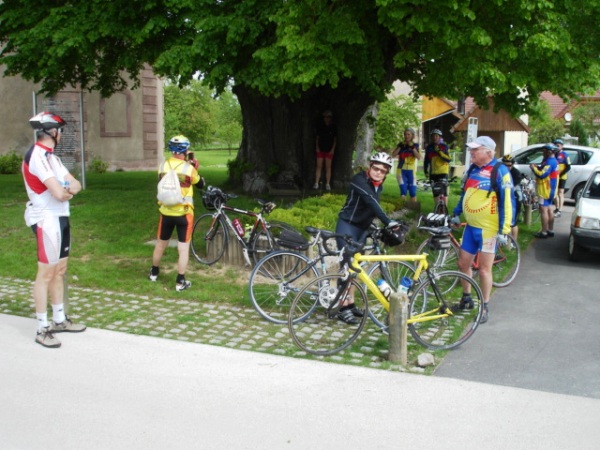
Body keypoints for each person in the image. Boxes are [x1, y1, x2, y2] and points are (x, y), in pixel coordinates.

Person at [22, 112, 85, 348]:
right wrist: (65, 189)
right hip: (45, 219)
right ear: (52, 132)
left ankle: (59, 320)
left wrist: (66, 188)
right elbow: (59, 192)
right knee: (45, 273)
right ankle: (42, 328)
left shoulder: (53, 159)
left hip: (60, 217)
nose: (61, 134)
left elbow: (74, 184)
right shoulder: (37, 155)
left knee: (60, 269)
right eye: (60, 130)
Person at [451, 136, 513, 324]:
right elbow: (465, 194)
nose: (471, 153)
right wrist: (456, 212)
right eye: (471, 150)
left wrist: (504, 229)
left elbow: (508, 202)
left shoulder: (499, 171)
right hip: (470, 228)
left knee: (485, 269)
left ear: (488, 151)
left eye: (475, 150)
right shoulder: (473, 169)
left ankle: (484, 306)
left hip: (488, 230)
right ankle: (467, 298)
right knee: (463, 264)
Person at [335, 152, 399, 324]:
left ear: (386, 174)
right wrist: (387, 221)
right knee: (346, 267)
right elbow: (370, 201)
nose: (378, 172)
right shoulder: (359, 180)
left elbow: (370, 209)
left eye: (383, 171)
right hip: (347, 225)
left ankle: (351, 304)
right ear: (369, 167)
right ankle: (342, 307)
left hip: (361, 229)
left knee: (356, 268)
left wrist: (373, 226)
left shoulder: (379, 186)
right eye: (376, 168)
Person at [149, 135, 205, 291]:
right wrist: (195, 167)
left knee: (161, 244)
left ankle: (154, 272)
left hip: (166, 212)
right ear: (186, 150)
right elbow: (200, 184)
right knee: (183, 248)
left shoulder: (162, 166)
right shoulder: (189, 169)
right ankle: (180, 282)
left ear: (171, 149)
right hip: (184, 214)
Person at [530, 143, 559, 238]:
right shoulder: (551, 160)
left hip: (546, 190)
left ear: (549, 151)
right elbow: (544, 170)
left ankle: (544, 232)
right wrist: (538, 167)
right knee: (550, 209)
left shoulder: (550, 162)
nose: (543, 152)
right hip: (551, 189)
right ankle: (550, 230)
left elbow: (542, 174)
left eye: (544, 151)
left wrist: (533, 168)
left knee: (543, 210)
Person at [391, 127, 421, 202]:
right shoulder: (401, 144)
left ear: (412, 136)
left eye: (408, 134)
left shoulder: (416, 145)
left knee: (412, 192)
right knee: (403, 191)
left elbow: (419, 157)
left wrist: (413, 147)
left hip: (411, 171)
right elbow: (393, 155)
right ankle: (402, 209)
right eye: (405, 134)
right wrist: (400, 147)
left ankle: (413, 210)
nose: (406, 136)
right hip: (401, 170)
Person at [424, 129, 451, 206]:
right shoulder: (429, 147)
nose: (435, 137)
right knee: (435, 192)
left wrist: (439, 152)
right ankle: (437, 209)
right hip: (433, 173)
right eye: (433, 136)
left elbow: (448, 159)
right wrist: (425, 171)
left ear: (439, 137)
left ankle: (445, 210)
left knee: (443, 192)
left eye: (436, 136)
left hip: (443, 172)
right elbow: (426, 160)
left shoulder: (444, 146)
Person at [313, 110, 337, 191]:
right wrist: (317, 147)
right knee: (319, 166)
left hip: (329, 150)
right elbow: (317, 138)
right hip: (321, 148)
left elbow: (335, 140)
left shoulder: (333, 127)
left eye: (328, 117)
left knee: (328, 167)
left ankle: (327, 183)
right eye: (325, 117)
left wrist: (332, 150)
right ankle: (316, 182)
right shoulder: (321, 126)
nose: (326, 119)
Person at [502, 154, 523, 240]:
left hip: (515, 198)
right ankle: (507, 240)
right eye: (505, 165)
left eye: (509, 165)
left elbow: (511, 187)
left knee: (513, 222)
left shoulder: (516, 173)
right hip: (506, 198)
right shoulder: (501, 171)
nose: (507, 167)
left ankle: (514, 241)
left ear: (512, 164)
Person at [552, 139, 571, 218]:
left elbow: (568, 167)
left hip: (562, 176)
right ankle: (556, 207)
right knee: (555, 192)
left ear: (562, 146)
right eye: (555, 145)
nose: (557, 146)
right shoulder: (553, 154)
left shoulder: (565, 154)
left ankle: (560, 209)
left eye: (558, 145)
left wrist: (560, 174)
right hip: (555, 175)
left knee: (560, 192)